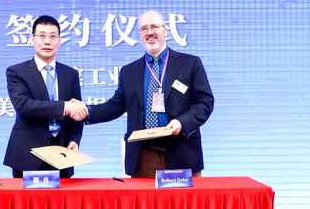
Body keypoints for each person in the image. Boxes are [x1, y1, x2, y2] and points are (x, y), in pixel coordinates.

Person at [83, 10, 214, 177]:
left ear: (165, 30)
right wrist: (86, 112)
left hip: (183, 151)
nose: (150, 32)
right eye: (144, 28)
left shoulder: (190, 63)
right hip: (144, 155)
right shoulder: (129, 71)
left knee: (184, 196)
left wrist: (181, 122)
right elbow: (115, 106)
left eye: (154, 27)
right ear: (140, 35)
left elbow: (204, 102)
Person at [3, 15, 88, 178]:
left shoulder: (70, 74)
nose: (47, 41)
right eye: (42, 36)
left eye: (53, 36)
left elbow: (76, 113)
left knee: (63, 196)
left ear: (59, 41)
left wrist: (74, 140)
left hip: (63, 155)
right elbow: (24, 106)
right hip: (28, 154)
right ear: (32, 39)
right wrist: (64, 107)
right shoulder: (17, 72)